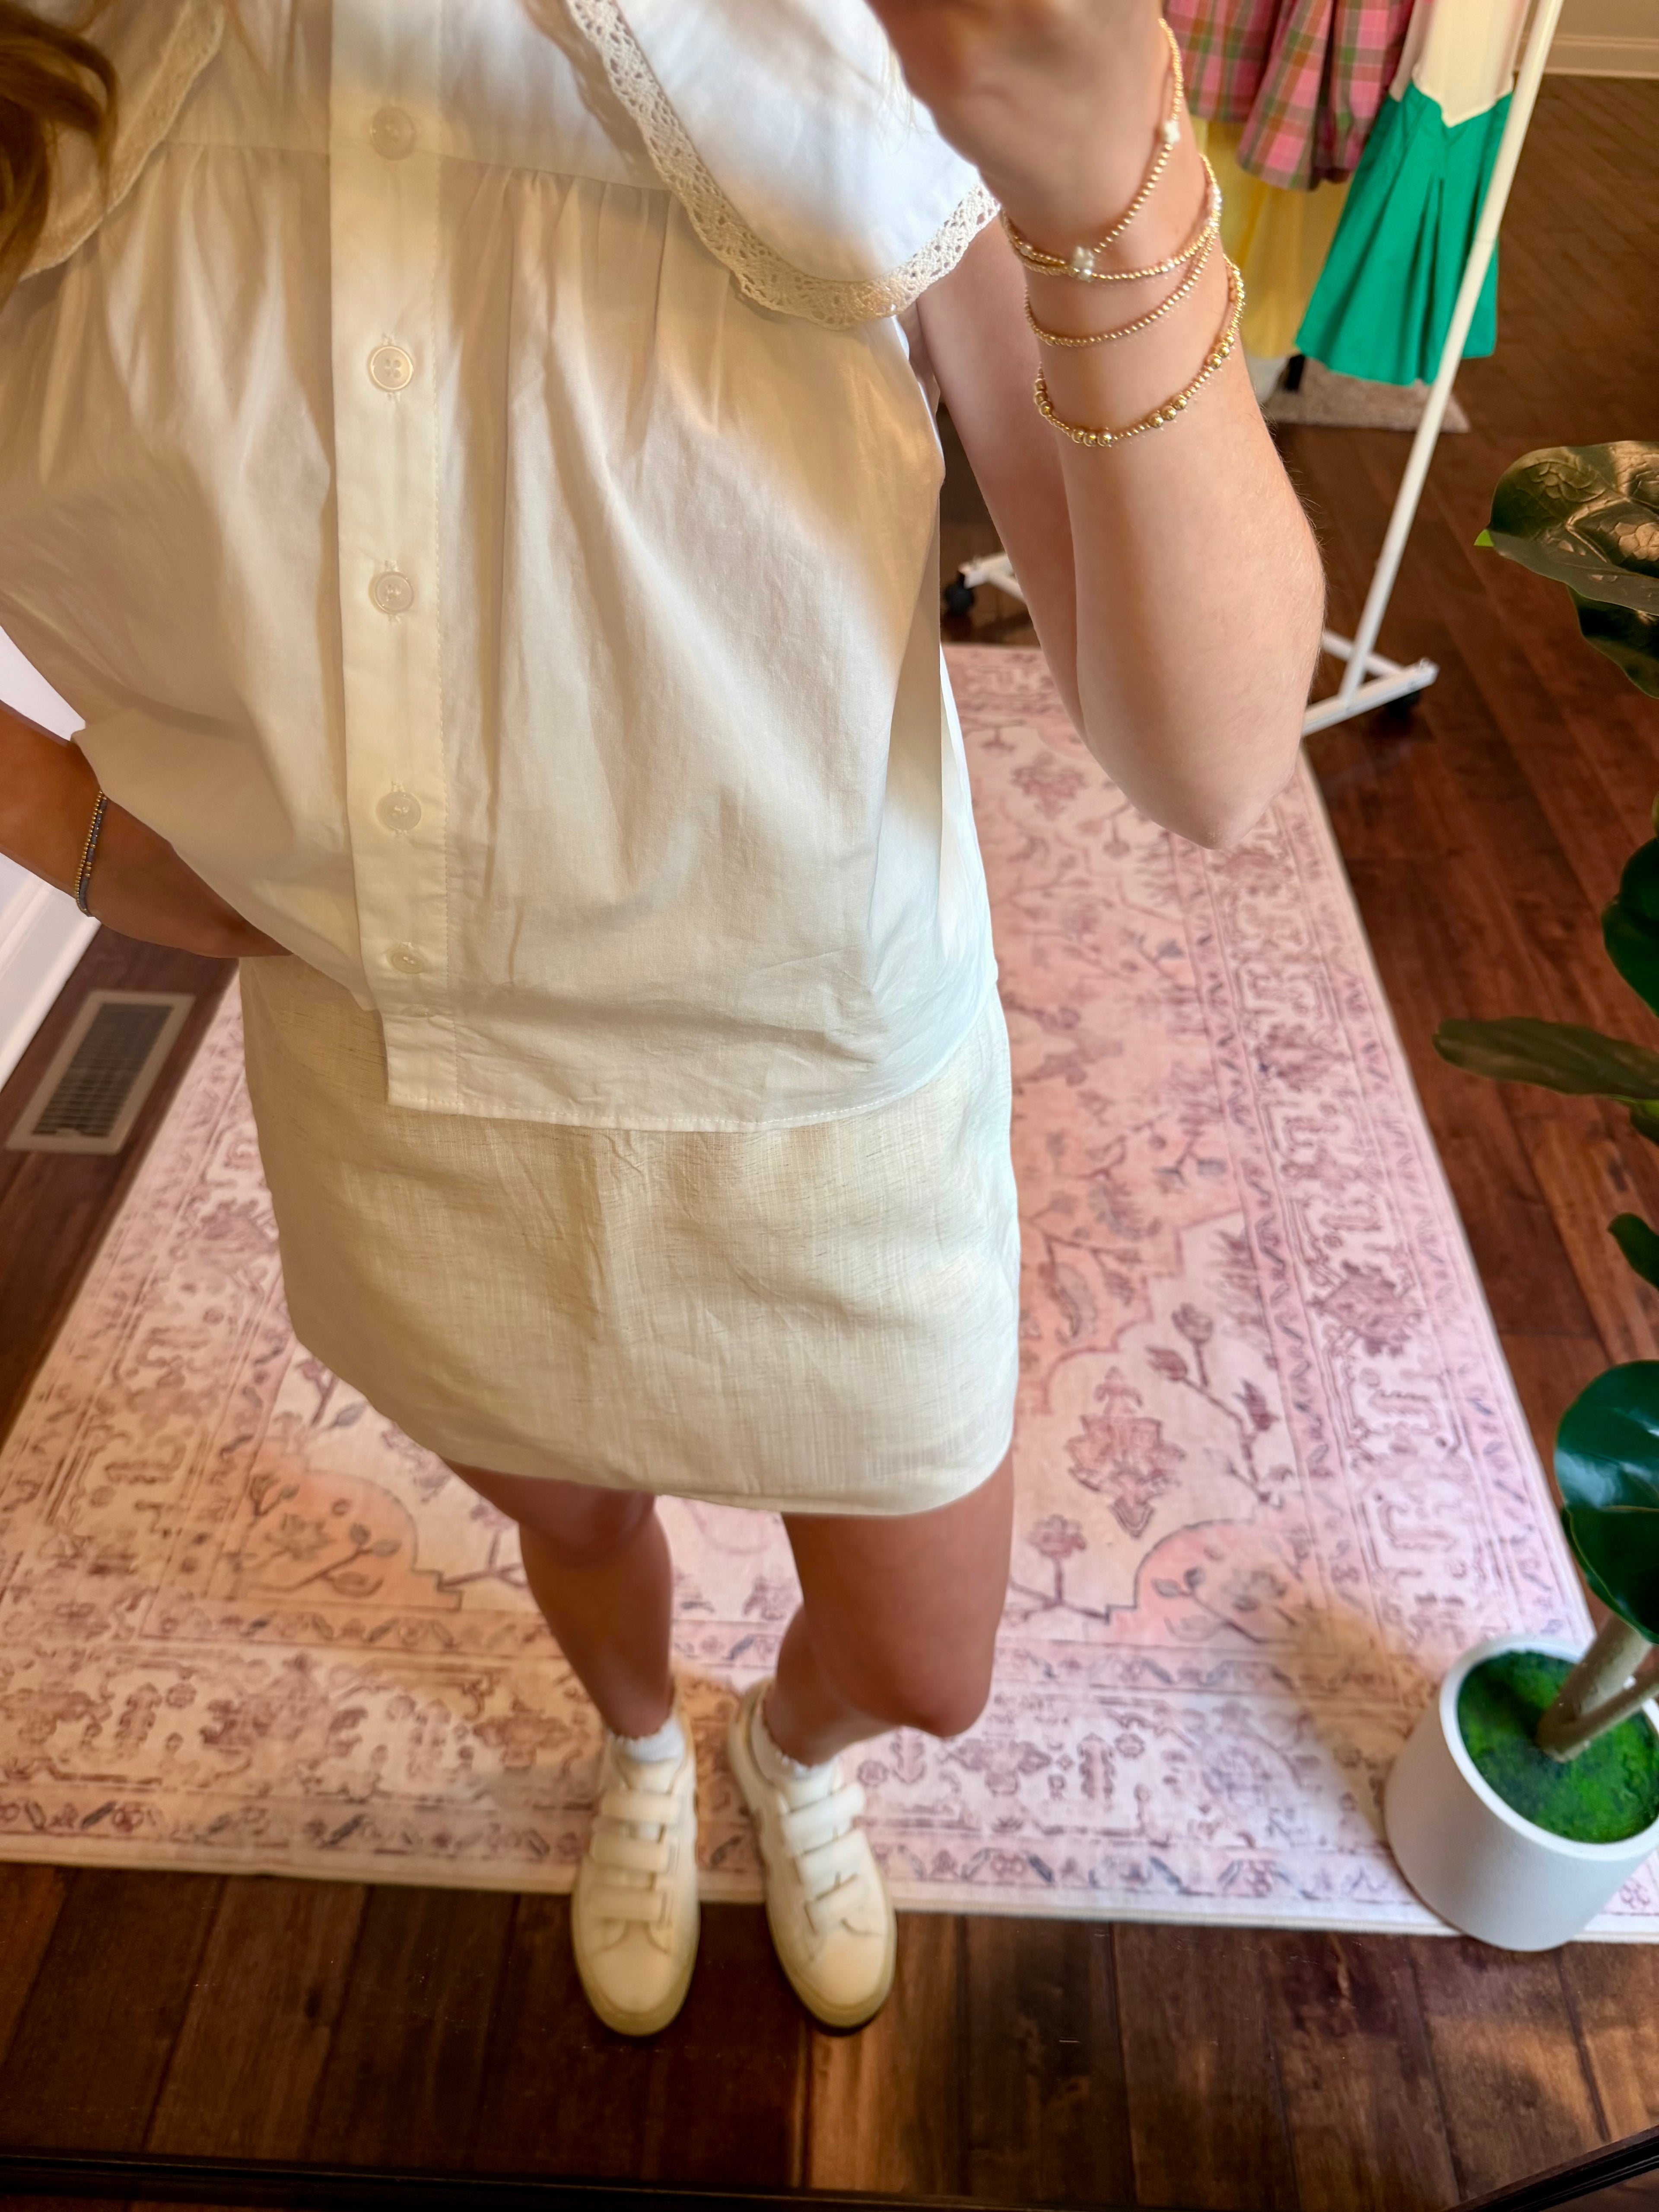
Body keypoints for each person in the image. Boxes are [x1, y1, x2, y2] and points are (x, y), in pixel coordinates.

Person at [0, 0, 1322, 2037]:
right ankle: (633, 1743)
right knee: (572, 1512)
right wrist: (70, 824)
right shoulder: (56, 64)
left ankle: (787, 1751)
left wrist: (1095, 184)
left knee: (928, 1654)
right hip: (398, 1089)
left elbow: (1216, 757)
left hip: (828, 1079)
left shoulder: (853, 34)